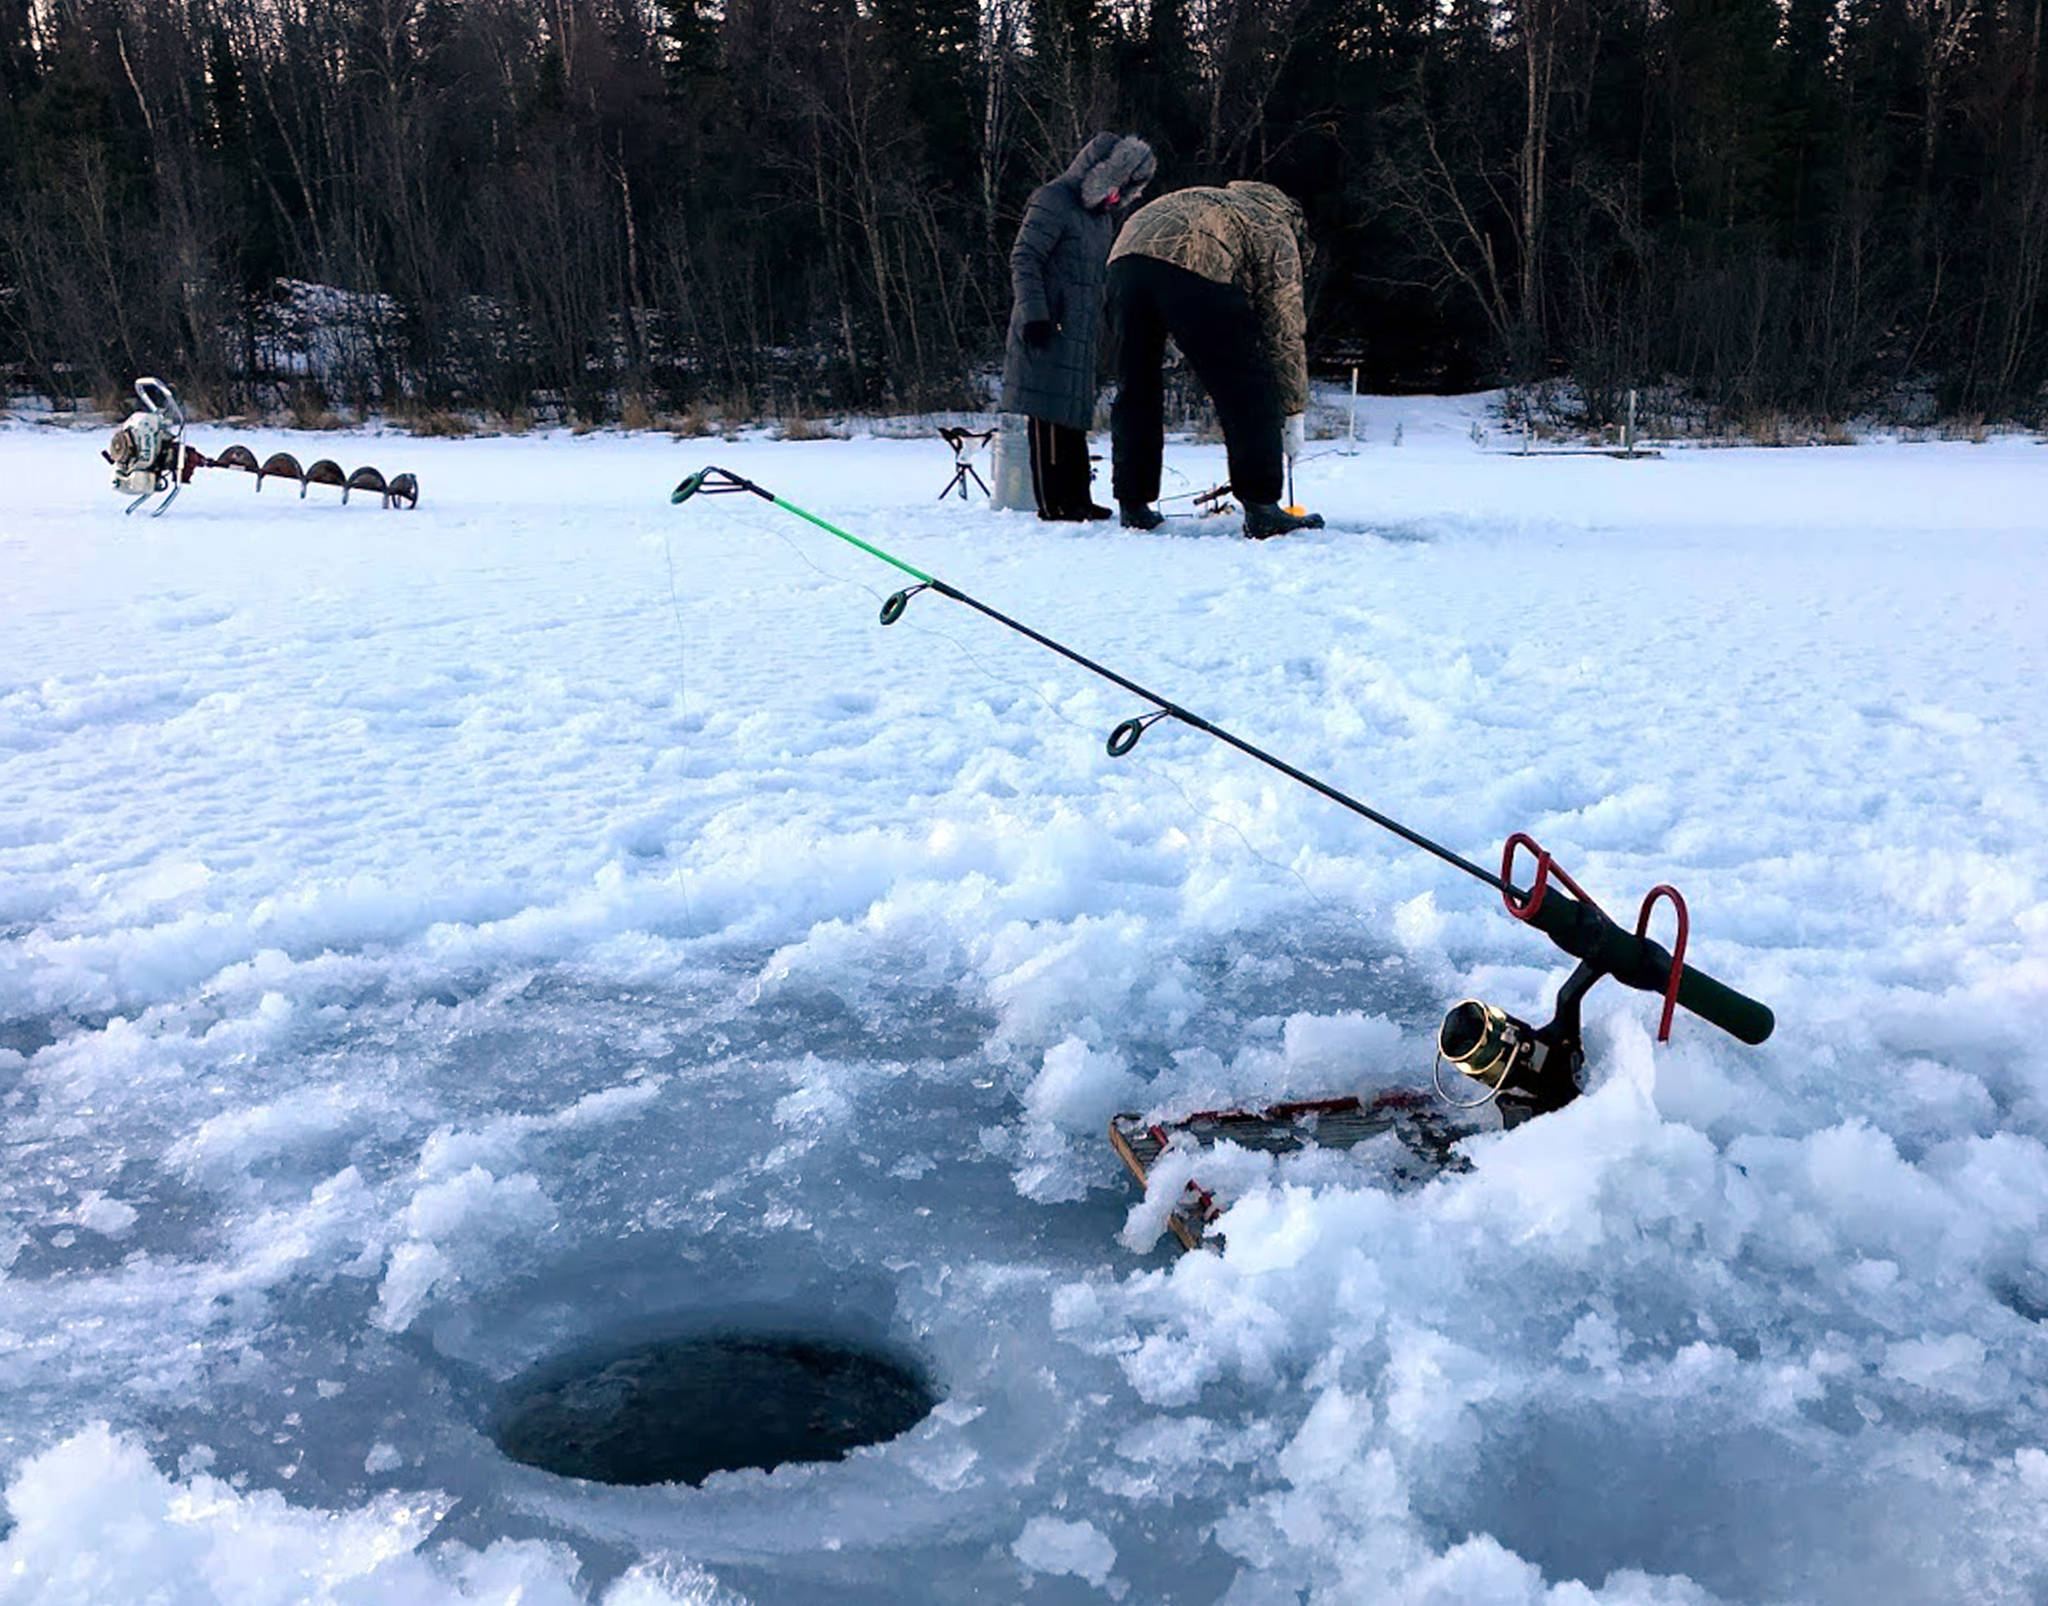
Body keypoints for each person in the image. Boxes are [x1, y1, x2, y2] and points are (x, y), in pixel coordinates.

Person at [1106, 181, 1324, 538]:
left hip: (1124, 261)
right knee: (1246, 386)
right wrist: (1292, 409)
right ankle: (1262, 507)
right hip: (1195, 262)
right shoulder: (1276, 226)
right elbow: (1282, 329)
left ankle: (1133, 504)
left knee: (1137, 387)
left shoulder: (1218, 200)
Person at [1000, 133, 1157, 521]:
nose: (1119, 196)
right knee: (1049, 414)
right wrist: (1035, 314)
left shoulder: (1099, 218)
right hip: (1046, 325)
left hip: (1080, 330)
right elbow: (1025, 258)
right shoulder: (1053, 199)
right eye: (1117, 185)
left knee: (1073, 416)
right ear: (1100, 174)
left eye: (1126, 188)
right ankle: (1056, 503)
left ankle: (1078, 498)